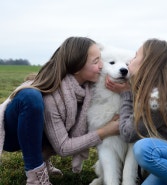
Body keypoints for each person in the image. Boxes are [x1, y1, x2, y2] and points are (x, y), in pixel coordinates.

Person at [0, 36, 120, 185]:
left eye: (100, 59)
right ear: (77, 68)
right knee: (30, 97)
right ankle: (36, 176)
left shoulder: (87, 88)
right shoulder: (54, 95)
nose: (102, 65)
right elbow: (63, 147)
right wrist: (105, 131)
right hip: (12, 135)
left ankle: (41, 158)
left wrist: (125, 88)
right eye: (96, 61)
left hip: (36, 131)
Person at [106, 38, 167, 185]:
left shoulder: (157, 99)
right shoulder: (164, 91)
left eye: (136, 56)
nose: (130, 61)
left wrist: (126, 94)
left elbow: (127, 133)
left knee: (145, 148)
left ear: (148, 63)